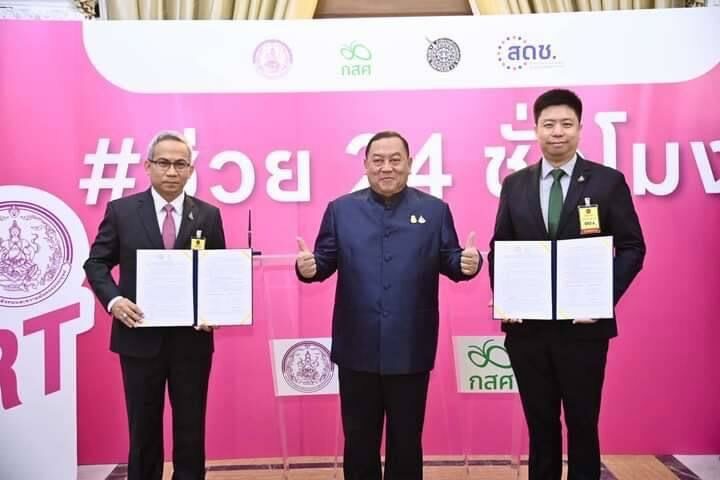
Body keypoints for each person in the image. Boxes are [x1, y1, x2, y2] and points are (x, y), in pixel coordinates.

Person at [296, 131, 481, 480]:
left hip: (411, 346)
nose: (386, 167)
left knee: (406, 441)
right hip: (357, 347)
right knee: (359, 441)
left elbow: (452, 260)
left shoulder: (434, 211)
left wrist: (468, 263)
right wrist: (308, 268)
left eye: (395, 160)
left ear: (409, 164)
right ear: (365, 165)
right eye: (378, 160)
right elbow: (322, 262)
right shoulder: (341, 210)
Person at [488, 89, 646, 480]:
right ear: (536, 129)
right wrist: (506, 298)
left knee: (582, 423)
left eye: (566, 124)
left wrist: (601, 299)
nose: (557, 132)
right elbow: (500, 248)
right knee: (540, 425)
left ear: (579, 128)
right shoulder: (515, 184)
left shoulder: (607, 182)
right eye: (548, 124)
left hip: (584, 330)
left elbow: (632, 247)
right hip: (529, 331)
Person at [84, 131, 226, 480]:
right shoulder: (122, 212)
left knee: (191, 429)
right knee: (143, 430)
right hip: (138, 338)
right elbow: (96, 263)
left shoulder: (208, 215)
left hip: (191, 341)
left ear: (191, 170)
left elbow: (219, 272)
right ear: (147, 166)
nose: (172, 171)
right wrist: (114, 301)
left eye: (180, 164)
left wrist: (216, 310)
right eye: (163, 163)